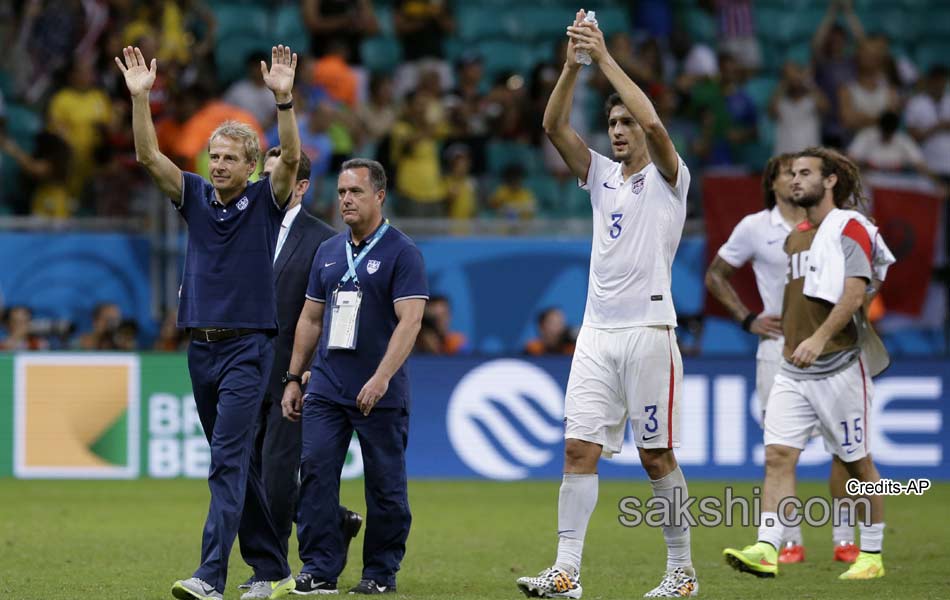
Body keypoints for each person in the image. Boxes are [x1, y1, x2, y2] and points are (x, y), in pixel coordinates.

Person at [516, 10, 697, 598]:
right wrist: (573, 66)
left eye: (625, 123)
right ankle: (567, 572)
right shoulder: (601, 177)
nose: (618, 130)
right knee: (577, 449)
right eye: (612, 123)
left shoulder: (672, 177)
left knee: (655, 455)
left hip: (649, 330)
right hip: (596, 333)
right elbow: (552, 125)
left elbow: (652, 118)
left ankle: (681, 573)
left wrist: (605, 56)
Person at [116, 44, 302, 600]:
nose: (218, 164)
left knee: (225, 461)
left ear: (249, 168)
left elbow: (289, 160)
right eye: (212, 156)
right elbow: (150, 158)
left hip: (248, 347)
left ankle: (209, 577)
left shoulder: (265, 203)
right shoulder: (193, 195)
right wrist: (142, 99)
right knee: (236, 463)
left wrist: (284, 101)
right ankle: (271, 568)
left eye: (229, 158)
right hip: (201, 349)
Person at [723, 147, 895, 582]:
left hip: (838, 366)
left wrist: (820, 338)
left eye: (805, 173)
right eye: (791, 174)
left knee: (858, 465)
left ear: (831, 180)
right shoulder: (796, 235)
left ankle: (871, 553)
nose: (795, 180)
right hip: (791, 368)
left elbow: (856, 293)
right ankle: (767, 546)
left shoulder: (850, 227)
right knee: (777, 456)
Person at [281, 158, 428, 595]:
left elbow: (411, 322)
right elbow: (310, 319)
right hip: (326, 385)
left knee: (385, 487)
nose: (345, 199)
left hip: (379, 391)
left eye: (356, 192)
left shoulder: (403, 252)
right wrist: (293, 376)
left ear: (379, 196)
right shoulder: (327, 251)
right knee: (316, 475)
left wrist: (382, 377)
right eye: (342, 192)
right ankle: (319, 567)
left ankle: (380, 573)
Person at [236, 147, 362, 591]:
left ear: (302, 186)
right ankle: (334, 520)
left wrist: (311, 370)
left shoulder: (325, 242)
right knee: (243, 475)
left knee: (275, 474)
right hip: (243, 372)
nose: (264, 187)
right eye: (262, 177)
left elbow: (329, 313)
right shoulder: (243, 229)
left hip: (294, 374)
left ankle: (269, 571)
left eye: (277, 176)